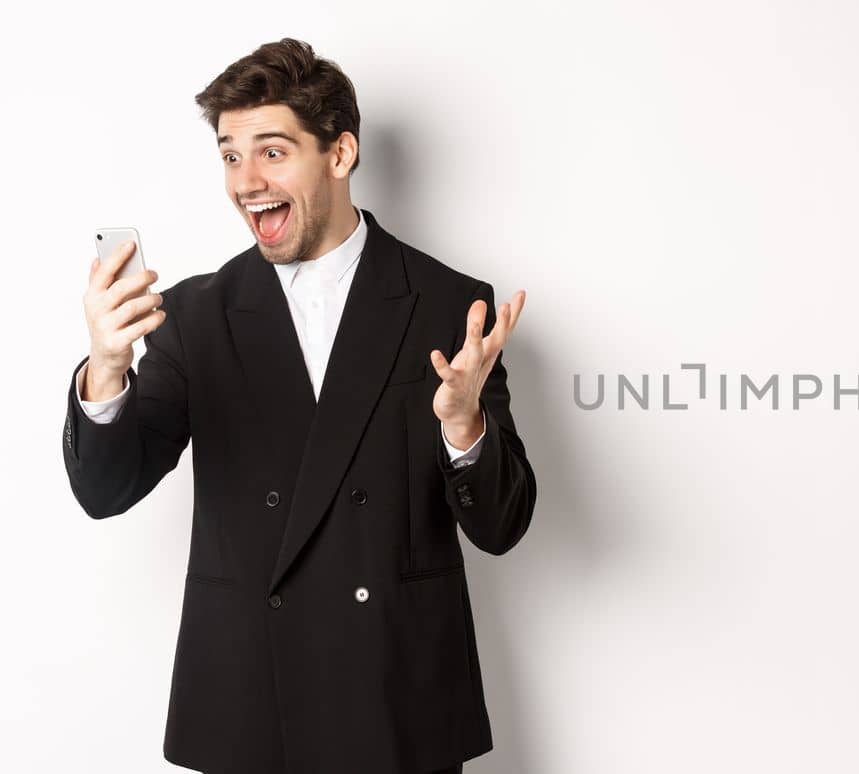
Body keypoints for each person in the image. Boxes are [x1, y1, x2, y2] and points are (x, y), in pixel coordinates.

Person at [61, 38, 536, 774]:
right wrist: (107, 371)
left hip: (396, 704)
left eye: (272, 153)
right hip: (251, 705)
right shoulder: (194, 315)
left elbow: (502, 528)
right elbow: (104, 489)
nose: (246, 181)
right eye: (229, 156)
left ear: (340, 153)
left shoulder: (451, 306)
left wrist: (463, 426)